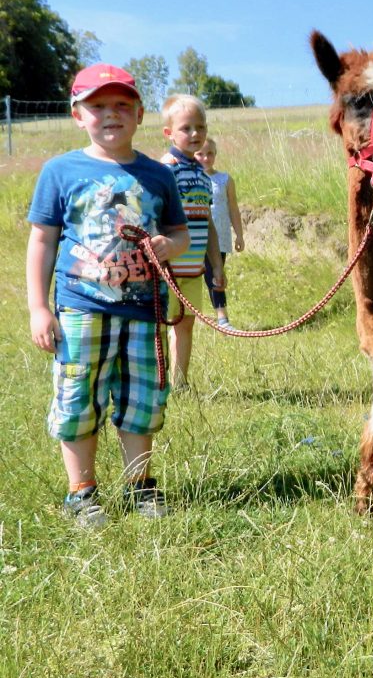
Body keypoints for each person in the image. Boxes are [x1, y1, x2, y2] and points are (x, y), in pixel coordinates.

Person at [26, 63, 190, 527]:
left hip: (144, 310)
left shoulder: (158, 175)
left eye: (122, 105)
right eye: (98, 106)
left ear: (139, 114)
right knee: (79, 396)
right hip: (81, 308)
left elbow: (180, 234)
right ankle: (82, 490)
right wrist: (40, 308)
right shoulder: (60, 171)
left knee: (143, 399)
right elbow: (42, 240)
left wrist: (168, 245)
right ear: (78, 114)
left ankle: (140, 486)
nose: (110, 114)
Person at [159, 94, 224, 388]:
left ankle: (180, 382)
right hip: (166, 269)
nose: (195, 133)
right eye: (186, 128)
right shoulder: (165, 170)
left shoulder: (202, 174)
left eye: (201, 127)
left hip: (193, 270)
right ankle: (157, 378)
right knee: (159, 325)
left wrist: (216, 266)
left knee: (186, 324)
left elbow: (208, 223)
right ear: (169, 133)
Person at [195, 138, 244, 329]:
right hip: (196, 235)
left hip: (219, 237)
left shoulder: (224, 180)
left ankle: (222, 317)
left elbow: (233, 208)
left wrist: (239, 234)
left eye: (210, 154)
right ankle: (192, 312)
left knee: (216, 274)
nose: (205, 158)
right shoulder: (189, 178)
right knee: (192, 276)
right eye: (200, 154)